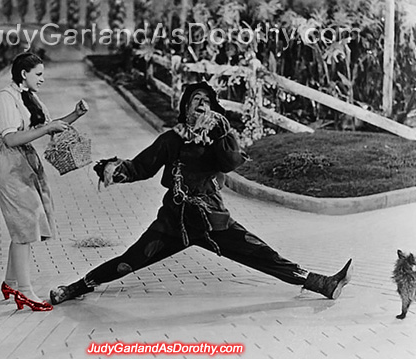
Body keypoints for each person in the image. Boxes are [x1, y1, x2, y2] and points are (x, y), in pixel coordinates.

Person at [49, 82, 352, 305]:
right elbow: (142, 166)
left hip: (213, 222)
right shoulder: (171, 139)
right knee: (129, 261)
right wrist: (115, 169)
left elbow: (231, 163)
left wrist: (221, 132)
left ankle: (320, 283)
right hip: (172, 224)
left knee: (262, 254)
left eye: (207, 100)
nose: (201, 104)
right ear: (185, 107)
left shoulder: (219, 138)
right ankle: (76, 287)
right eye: (196, 99)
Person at [0, 52, 88, 312]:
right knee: (25, 224)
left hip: (23, 162)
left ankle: (10, 283)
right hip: (6, 164)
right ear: (24, 74)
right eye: (38, 74)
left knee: (25, 223)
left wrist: (75, 115)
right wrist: (45, 130)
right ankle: (25, 292)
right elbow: (10, 139)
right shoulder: (5, 99)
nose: (42, 79)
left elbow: (49, 125)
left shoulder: (28, 97)